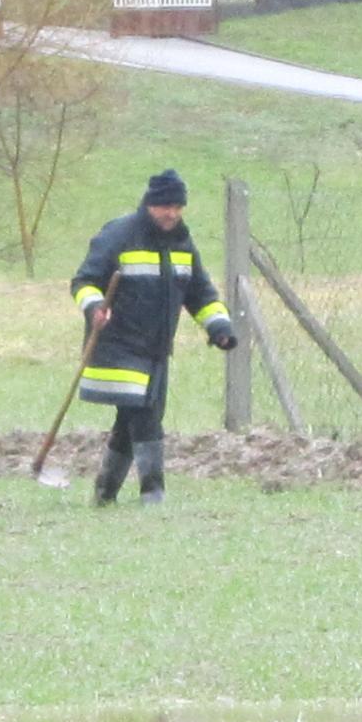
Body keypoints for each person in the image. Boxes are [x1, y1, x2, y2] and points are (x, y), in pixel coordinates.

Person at [70, 169, 236, 506]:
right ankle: (153, 493)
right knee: (145, 416)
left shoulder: (182, 244)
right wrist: (95, 307)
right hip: (116, 346)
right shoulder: (119, 235)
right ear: (149, 204)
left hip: (156, 351)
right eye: (164, 206)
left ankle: (105, 492)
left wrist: (219, 327)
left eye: (177, 207)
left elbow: (200, 293)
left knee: (130, 418)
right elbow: (83, 282)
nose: (171, 213)